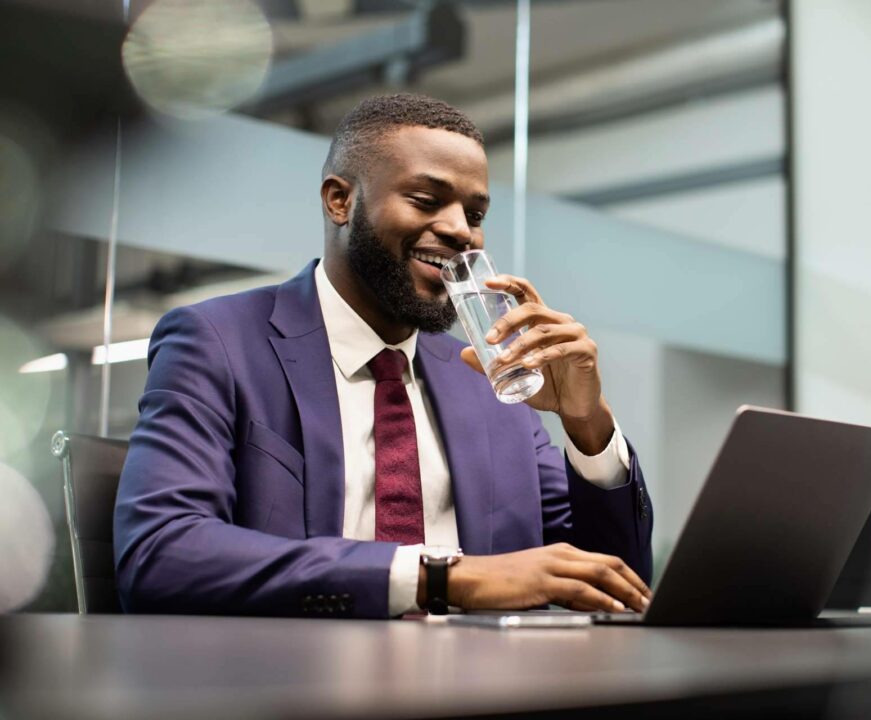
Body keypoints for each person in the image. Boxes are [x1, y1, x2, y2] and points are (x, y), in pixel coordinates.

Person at [113, 94, 654, 619]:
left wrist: (587, 425)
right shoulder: (218, 341)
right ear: (339, 200)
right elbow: (161, 553)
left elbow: (617, 585)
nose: (460, 230)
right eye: (425, 200)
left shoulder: (489, 377)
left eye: (475, 212)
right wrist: (441, 579)